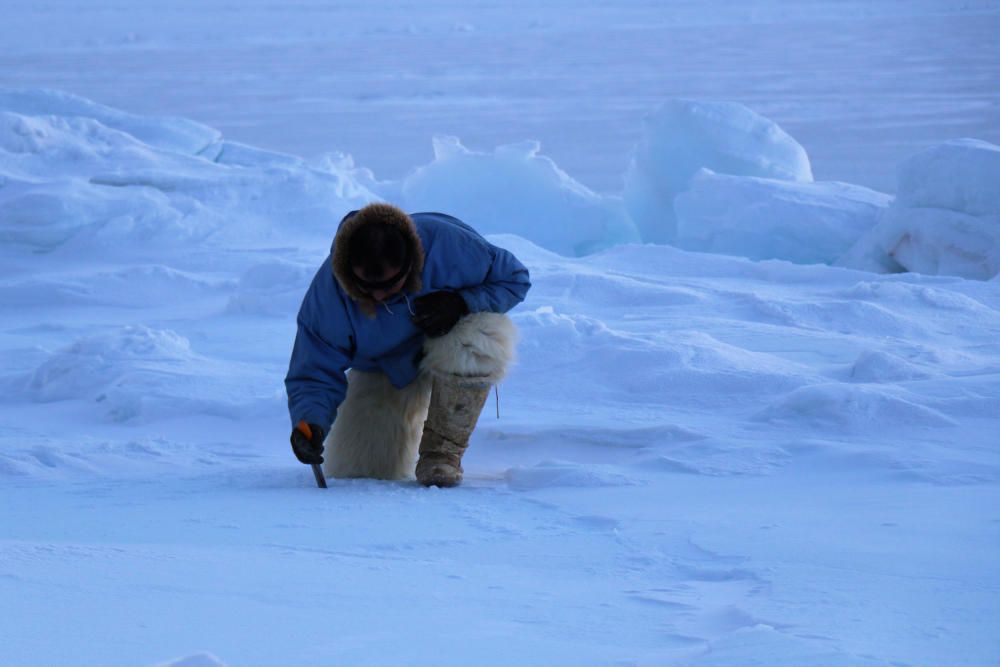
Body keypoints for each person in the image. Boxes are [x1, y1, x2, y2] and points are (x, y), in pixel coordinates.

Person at [285, 202, 531, 487]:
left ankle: (442, 456)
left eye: (389, 286)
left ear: (412, 265)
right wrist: (310, 424)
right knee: (363, 471)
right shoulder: (327, 298)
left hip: (451, 337)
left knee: (478, 339)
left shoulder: (449, 246)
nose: (378, 297)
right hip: (386, 364)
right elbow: (314, 370)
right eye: (366, 288)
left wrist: (461, 302)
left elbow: (515, 279)